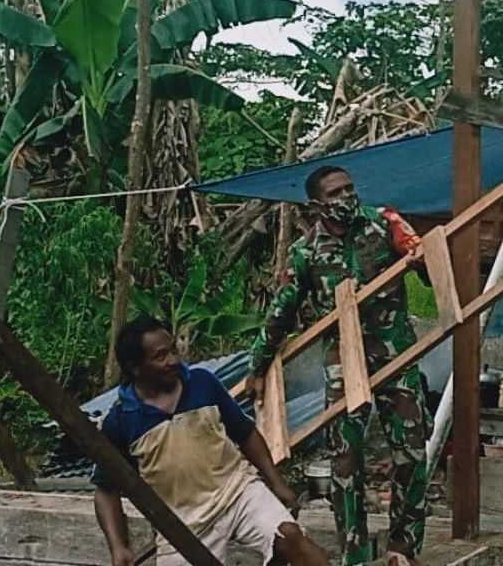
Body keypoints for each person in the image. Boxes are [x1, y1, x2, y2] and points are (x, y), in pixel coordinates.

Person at [246, 165, 432, 566]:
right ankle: (356, 553)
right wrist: (257, 367)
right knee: (346, 464)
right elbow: (280, 314)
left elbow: (426, 265)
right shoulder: (306, 252)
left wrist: (422, 259)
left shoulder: (384, 224)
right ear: (316, 205)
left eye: (349, 188)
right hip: (343, 365)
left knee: (412, 454)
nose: (347, 197)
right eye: (335, 193)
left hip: (395, 355)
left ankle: (403, 548)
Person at [93, 316, 328, 566]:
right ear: (135, 367)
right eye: (161, 356)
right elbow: (106, 490)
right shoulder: (121, 421)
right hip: (181, 524)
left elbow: (245, 433)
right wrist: (118, 547)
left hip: (237, 492)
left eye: (173, 349)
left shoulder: (202, 384)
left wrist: (276, 483)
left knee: (291, 537)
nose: (173, 360)